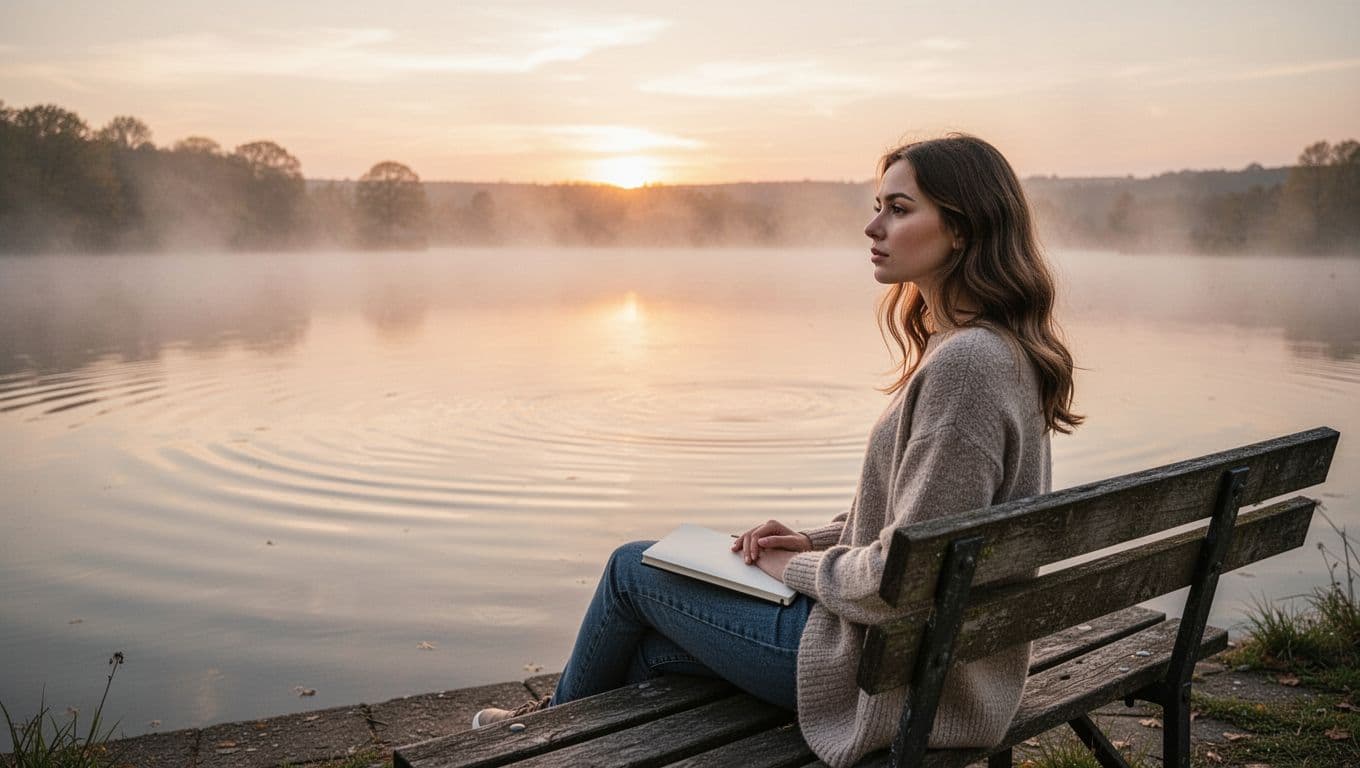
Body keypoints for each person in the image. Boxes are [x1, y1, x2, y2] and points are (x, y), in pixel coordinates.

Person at [472, 133, 1082, 768]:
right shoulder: (995, 349)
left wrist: (785, 569)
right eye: (878, 205)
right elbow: (927, 525)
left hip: (889, 681)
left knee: (633, 570)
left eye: (899, 209)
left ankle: (534, 745)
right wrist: (812, 539)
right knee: (651, 651)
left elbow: (903, 582)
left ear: (961, 229)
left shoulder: (966, 366)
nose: (873, 225)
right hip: (931, 662)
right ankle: (559, 740)